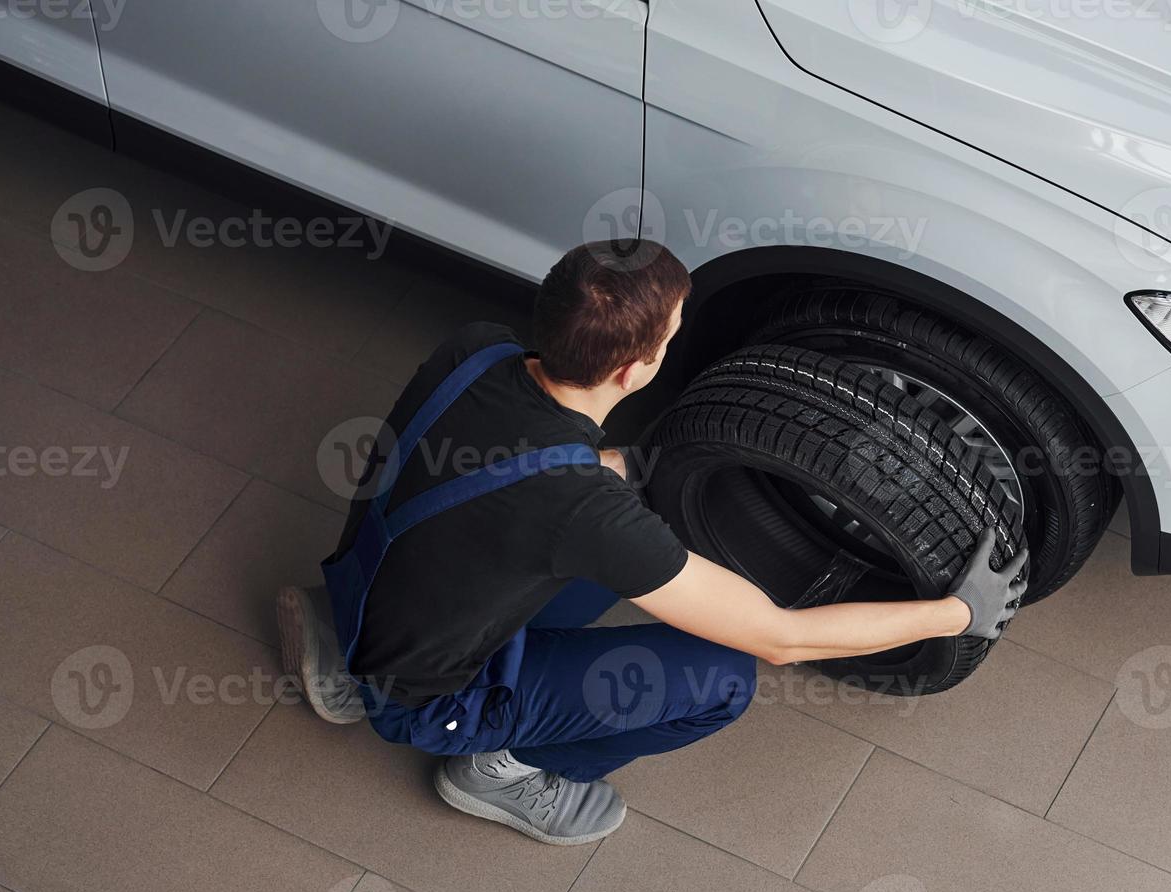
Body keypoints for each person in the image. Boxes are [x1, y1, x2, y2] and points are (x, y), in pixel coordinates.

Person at [276, 240, 1027, 846]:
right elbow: (783, 640)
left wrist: (654, 461)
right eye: (672, 334)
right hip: (432, 694)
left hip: (373, 583)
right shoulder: (583, 513)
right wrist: (955, 617)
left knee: (634, 503)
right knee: (724, 680)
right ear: (639, 368)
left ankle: (345, 645)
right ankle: (496, 770)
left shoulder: (475, 351)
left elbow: (508, 470)